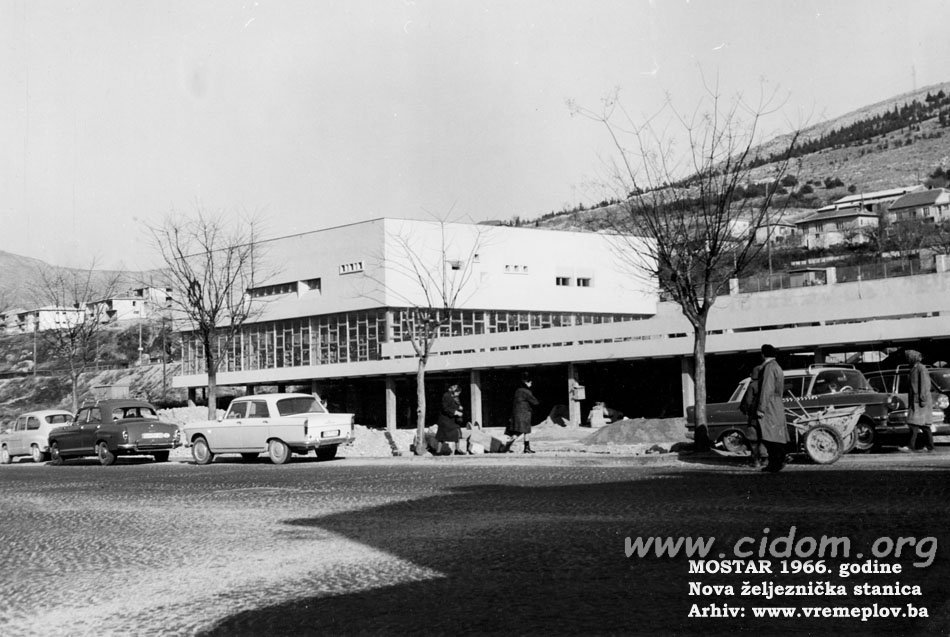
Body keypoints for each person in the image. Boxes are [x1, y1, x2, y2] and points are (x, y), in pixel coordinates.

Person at [756, 344, 788, 473]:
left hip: (770, 405)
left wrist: (761, 408)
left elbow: (766, 389)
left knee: (768, 435)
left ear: (763, 354)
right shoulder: (777, 367)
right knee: (776, 435)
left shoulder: (768, 368)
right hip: (777, 403)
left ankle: (775, 462)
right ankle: (778, 461)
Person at [903, 350, 934, 453]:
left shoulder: (921, 368)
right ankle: (929, 446)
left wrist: (922, 399)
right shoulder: (914, 368)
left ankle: (911, 446)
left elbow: (925, 385)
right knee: (922, 425)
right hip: (916, 401)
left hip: (920, 402)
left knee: (914, 424)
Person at [504, 373, 540, 453]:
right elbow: (535, 402)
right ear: (526, 382)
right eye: (530, 382)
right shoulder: (526, 391)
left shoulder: (518, 390)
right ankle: (526, 448)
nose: (531, 383)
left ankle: (506, 447)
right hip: (524, 414)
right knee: (525, 431)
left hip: (517, 414)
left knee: (519, 432)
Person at [740, 362, 766, 468]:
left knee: (754, 439)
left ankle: (756, 461)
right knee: (765, 438)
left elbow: (748, 401)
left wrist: (747, 411)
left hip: (754, 416)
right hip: (766, 417)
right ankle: (765, 459)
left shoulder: (752, 385)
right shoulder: (766, 385)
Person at [436, 384, 468, 455]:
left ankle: (457, 449)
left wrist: (459, 407)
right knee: (442, 435)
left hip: (452, 419)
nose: (458, 394)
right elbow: (445, 408)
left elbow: (454, 405)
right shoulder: (446, 396)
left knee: (457, 432)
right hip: (445, 419)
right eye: (457, 392)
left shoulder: (455, 397)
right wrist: (455, 412)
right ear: (454, 391)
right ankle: (438, 451)